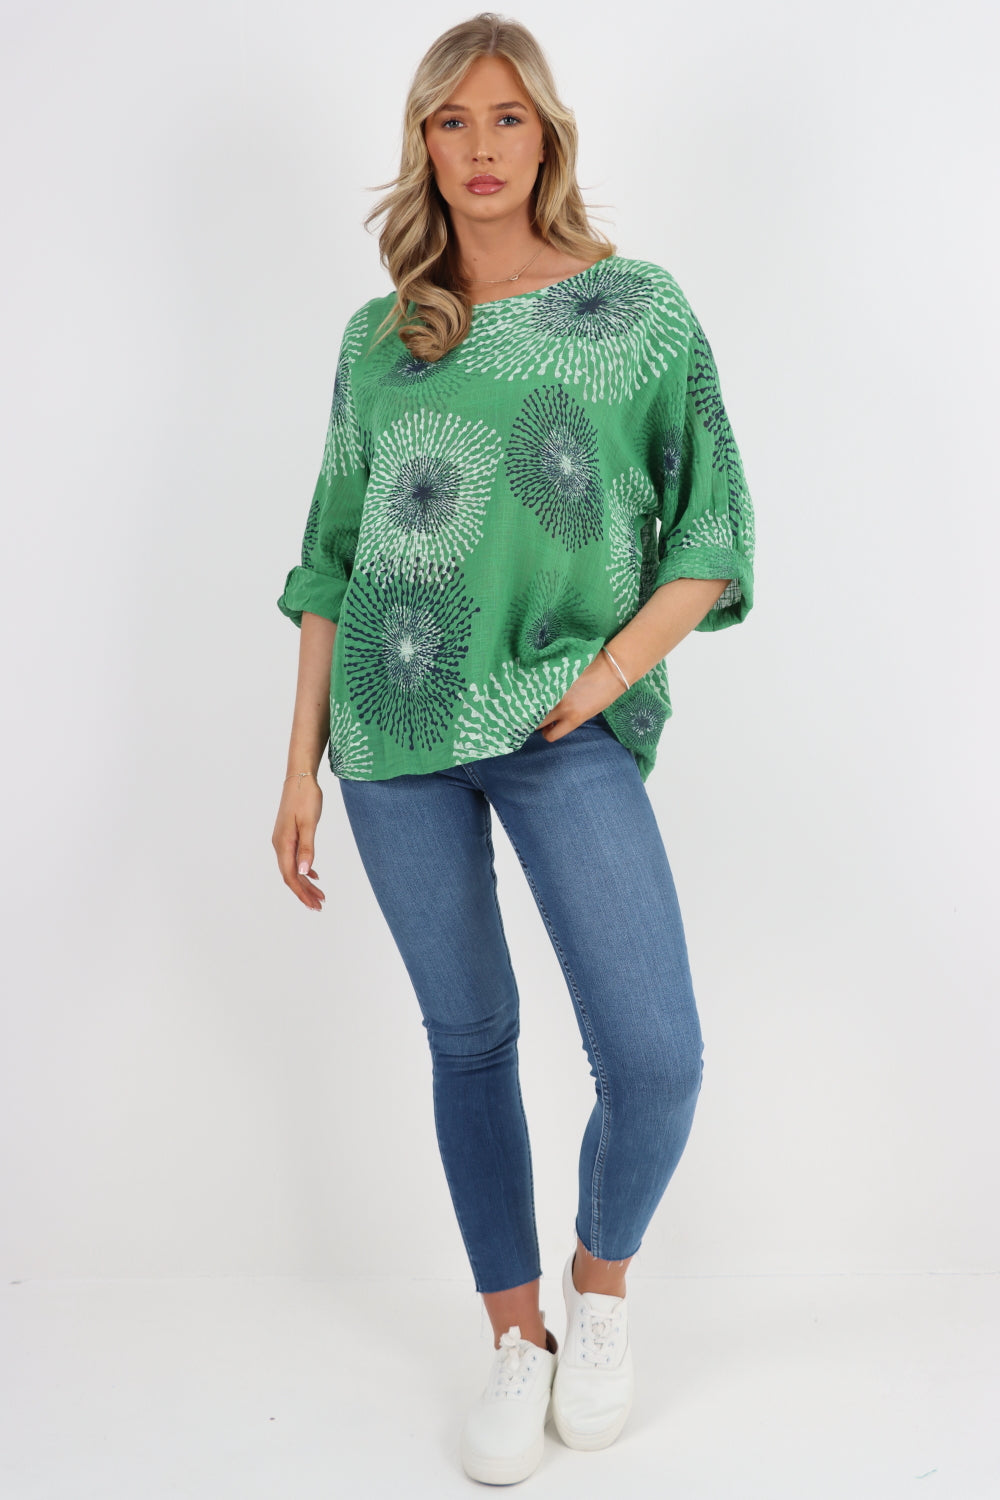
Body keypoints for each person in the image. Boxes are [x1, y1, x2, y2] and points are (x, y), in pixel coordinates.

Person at [271, 11, 755, 1486]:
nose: (479, 147)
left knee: (656, 1056)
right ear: (422, 145)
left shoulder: (638, 310)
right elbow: (332, 556)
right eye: (450, 121)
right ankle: (515, 1336)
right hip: (393, 728)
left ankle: (600, 1295)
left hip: (561, 718)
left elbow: (713, 532)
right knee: (470, 1038)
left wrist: (604, 677)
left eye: (506, 118)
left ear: (547, 135)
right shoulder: (383, 336)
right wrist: (298, 766)